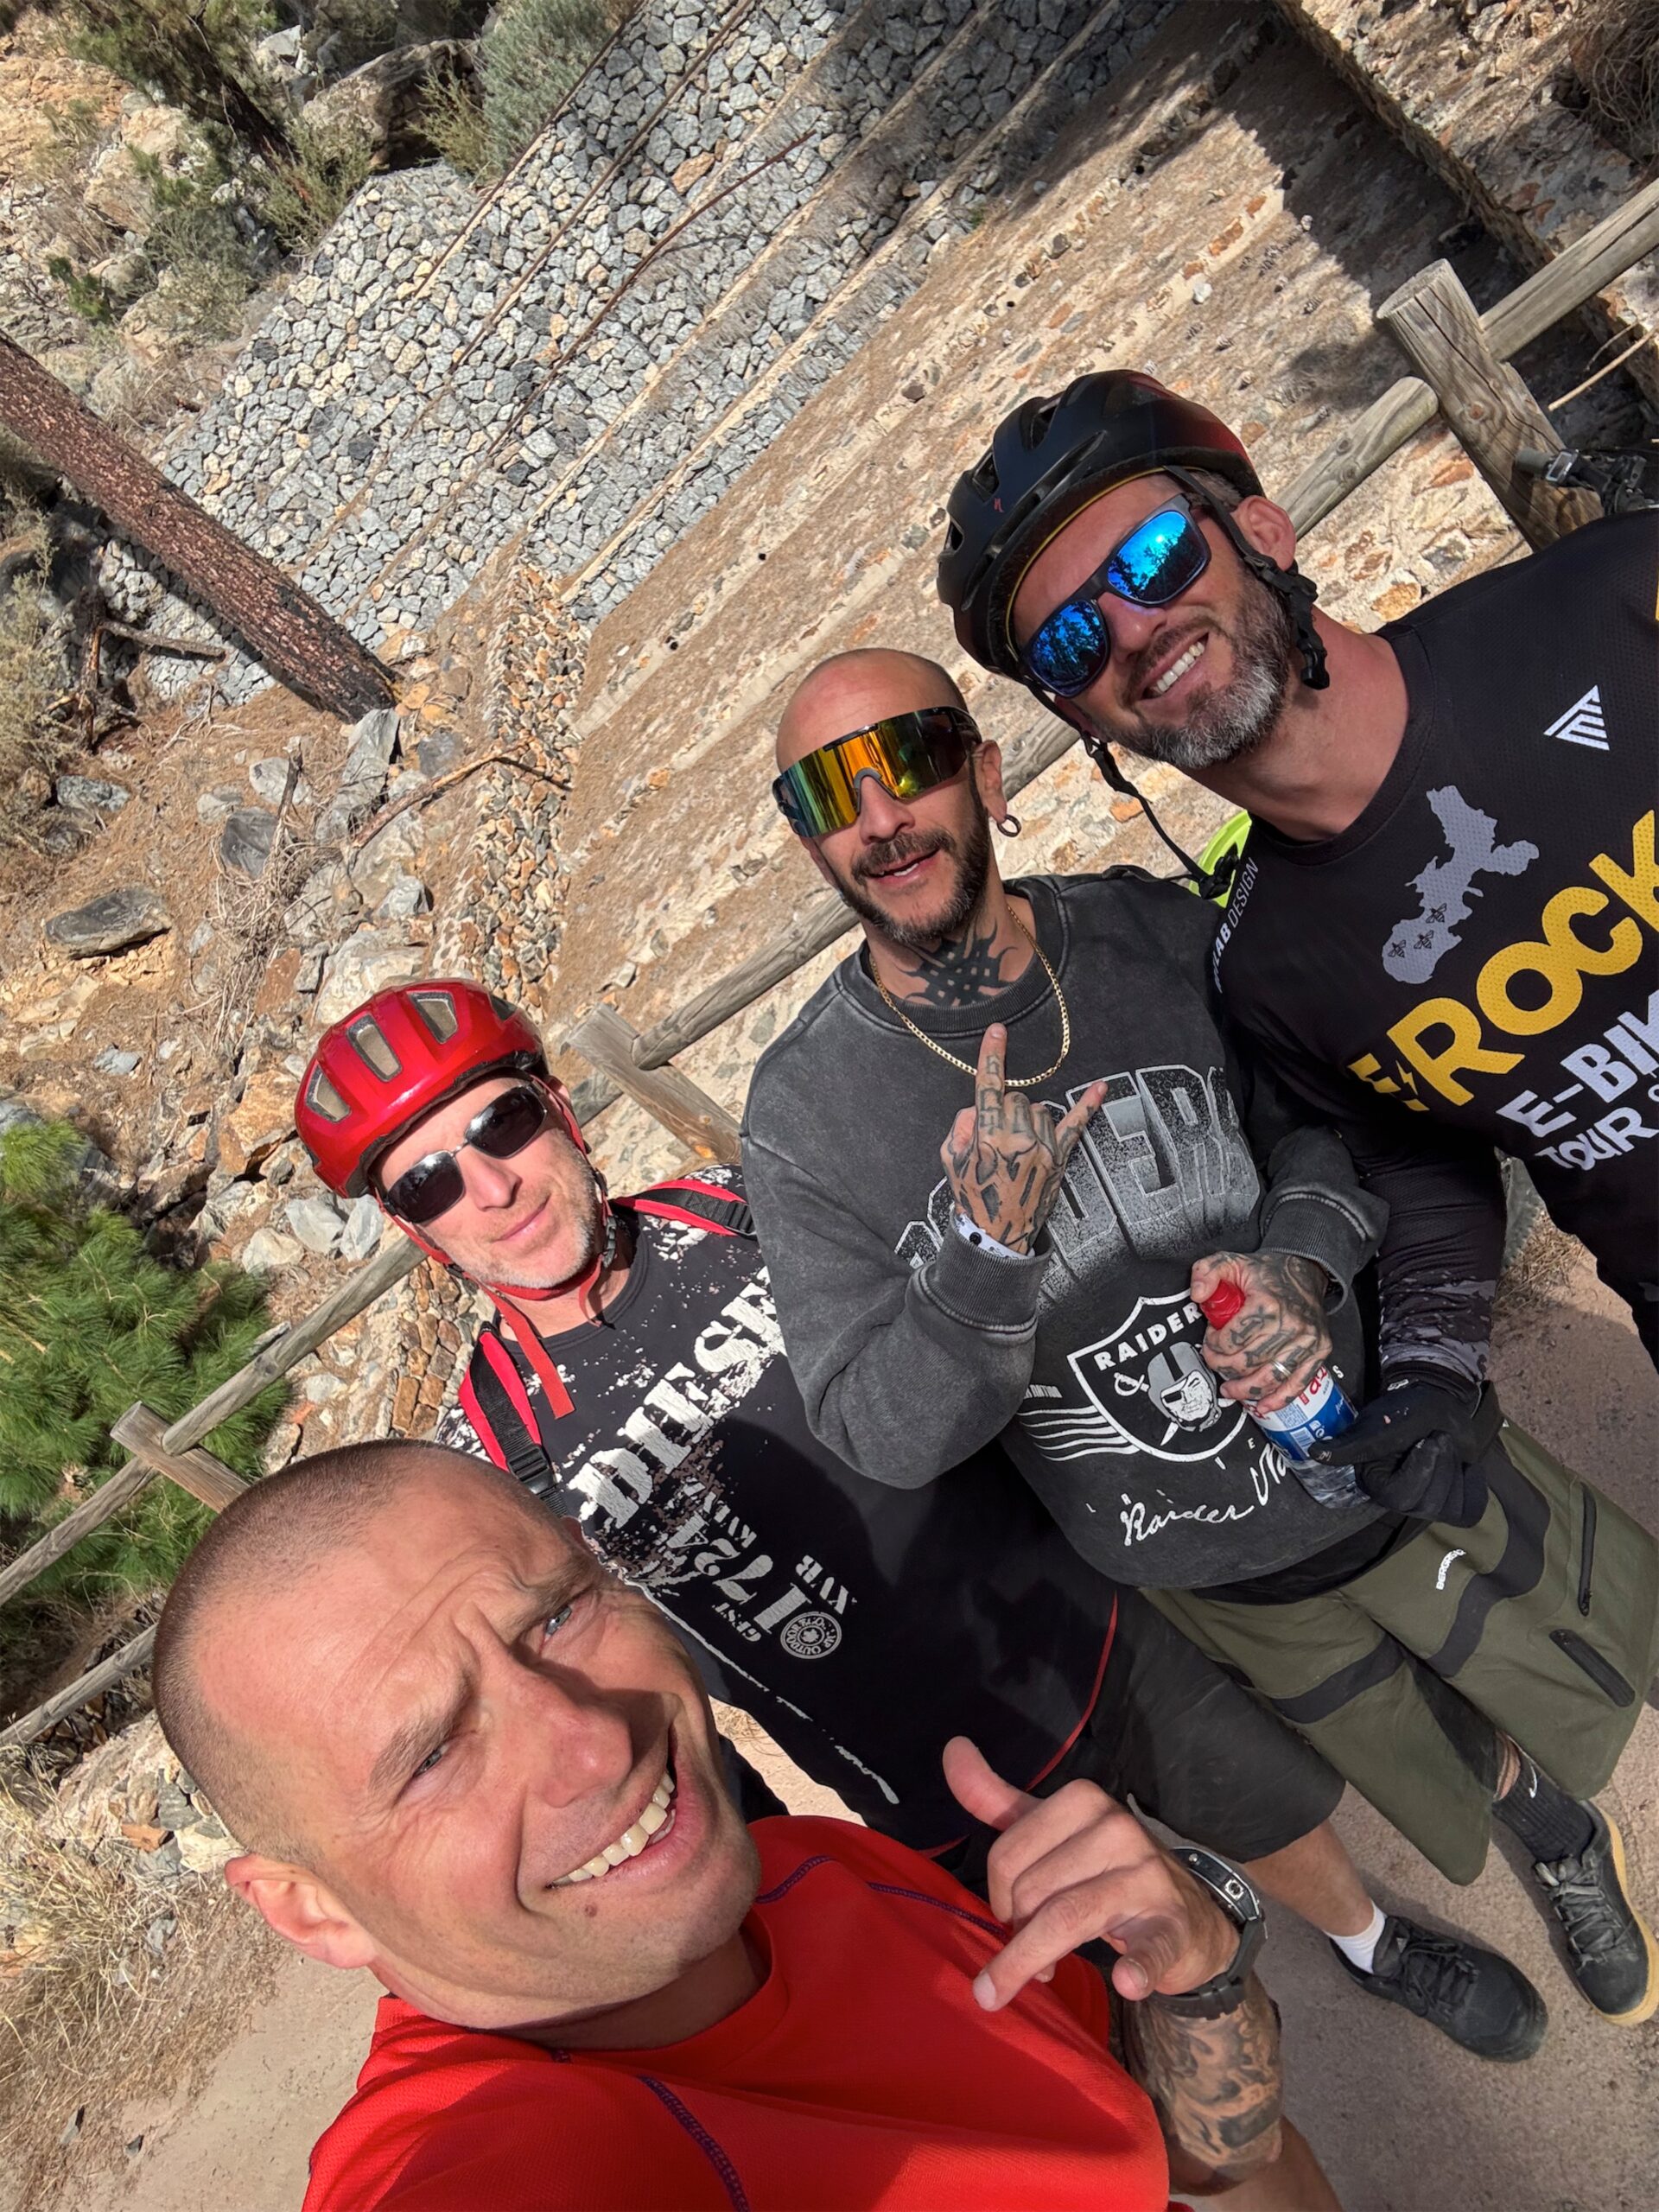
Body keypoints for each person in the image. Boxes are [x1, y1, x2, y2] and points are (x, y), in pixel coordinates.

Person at [741, 645, 1657, 2032]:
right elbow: (880, 1428)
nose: (879, 816)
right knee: (1411, 1730)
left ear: (983, 772)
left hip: (1380, 1448)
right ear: (808, 838)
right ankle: (1541, 1816)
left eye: (908, 759)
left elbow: (1324, 1124)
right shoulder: (806, 1114)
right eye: (828, 793)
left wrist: (1302, 1261)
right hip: (1207, 1569)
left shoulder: (1148, 934)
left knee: (1560, 1638)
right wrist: (985, 1255)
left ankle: (1564, 1815)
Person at [294, 982, 1452, 2058]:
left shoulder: (740, 1208)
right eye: (429, 1182)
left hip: (1085, 1621)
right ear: (414, 1231)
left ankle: (1370, 1938)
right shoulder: (492, 1455)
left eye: (500, 1126)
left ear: (560, 1112)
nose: (490, 1188)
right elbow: (603, 1687)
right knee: (1141, 1998)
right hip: (923, 1772)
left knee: (1265, 1802)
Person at [150, 1440, 1342, 2210]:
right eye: (430, 1754)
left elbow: (1207, 2158)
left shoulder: (823, 1868)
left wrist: (1196, 1975)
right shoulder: (474, 2158)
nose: (594, 1744)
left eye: (556, 1618)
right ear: (307, 1909)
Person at [934, 369, 1659, 1377]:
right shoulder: (1268, 969)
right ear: (1078, 716)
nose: (1133, 630)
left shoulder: (1616, 601)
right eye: (1070, 642)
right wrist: (1431, 1370)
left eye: (1155, 556)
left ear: (1263, 533)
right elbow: (1419, 1163)